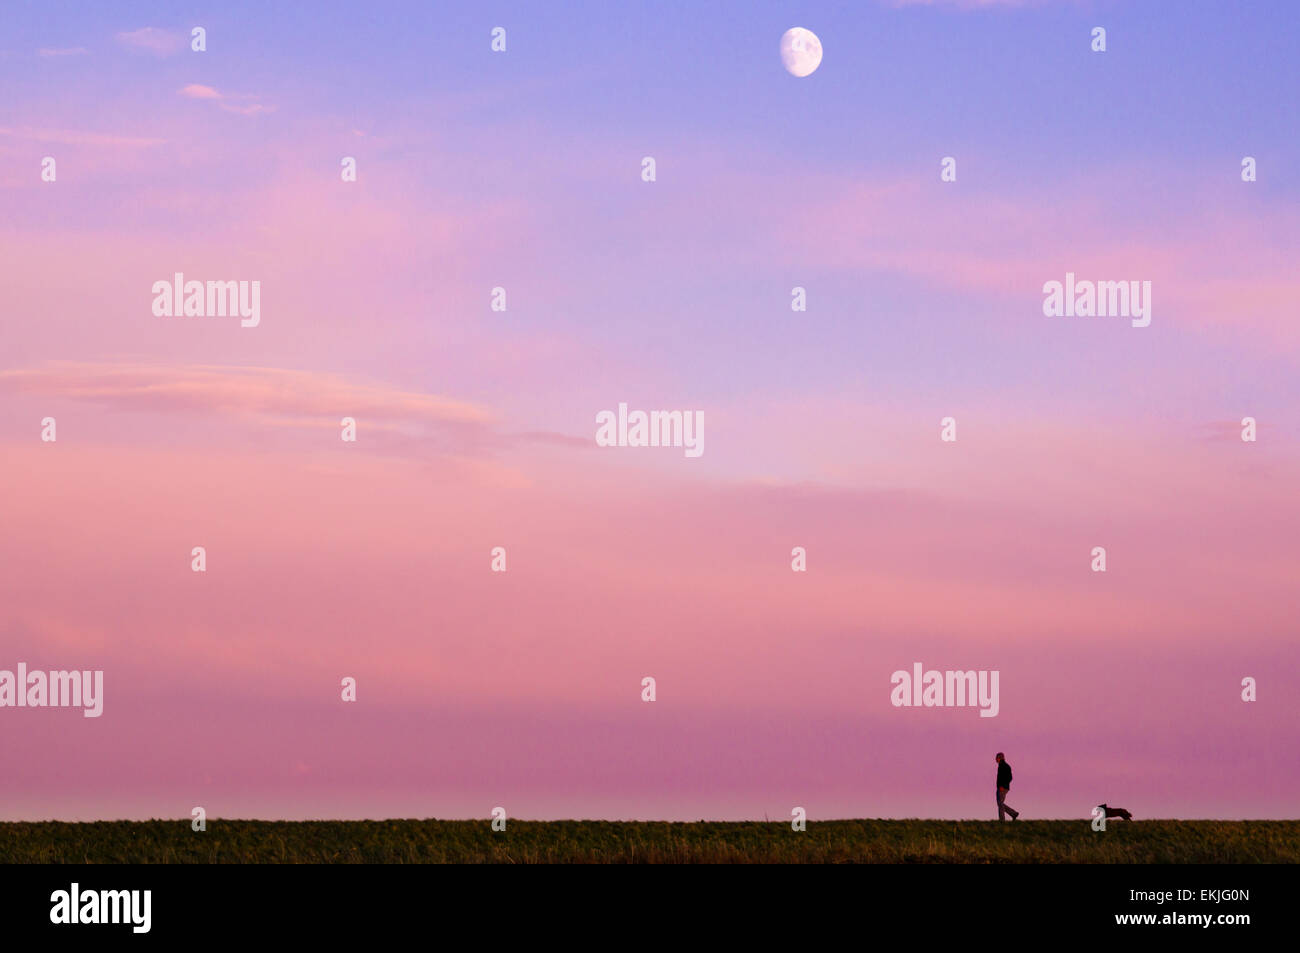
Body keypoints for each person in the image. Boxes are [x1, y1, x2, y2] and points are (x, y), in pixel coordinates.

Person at [995, 752, 1019, 820]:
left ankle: (1002, 820)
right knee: (1000, 804)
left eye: (996, 758)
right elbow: (1009, 778)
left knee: (1000, 804)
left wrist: (1002, 786)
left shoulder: (1003, 766)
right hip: (1003, 787)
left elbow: (1009, 778)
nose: (995, 759)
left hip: (1002, 788)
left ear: (1000, 758)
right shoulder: (1003, 765)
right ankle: (1013, 814)